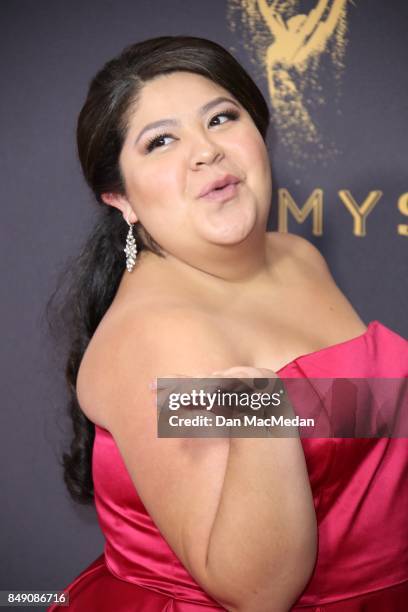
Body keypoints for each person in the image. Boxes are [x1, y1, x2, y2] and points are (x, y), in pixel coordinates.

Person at [47, 36, 408, 611]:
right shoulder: (153, 337)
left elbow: (360, 415)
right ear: (121, 197)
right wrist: (264, 410)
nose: (206, 151)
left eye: (221, 118)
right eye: (160, 141)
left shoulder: (295, 257)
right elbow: (258, 592)